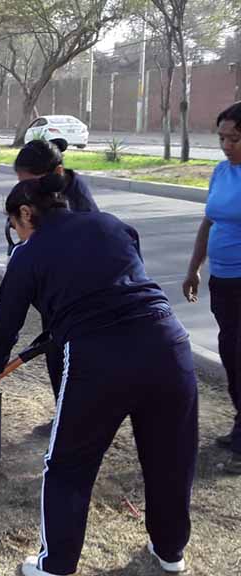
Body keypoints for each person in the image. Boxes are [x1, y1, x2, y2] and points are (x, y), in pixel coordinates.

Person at [0, 174, 197, 576]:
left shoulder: (30, 251)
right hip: (168, 345)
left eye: (14, 225)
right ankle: (170, 551)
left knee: (68, 465)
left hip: (100, 357)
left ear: (26, 213)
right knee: (171, 457)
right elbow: (123, 279)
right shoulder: (111, 224)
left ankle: (54, 565)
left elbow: (6, 317)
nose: (15, 233)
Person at [11, 140, 100, 438]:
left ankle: (77, 424)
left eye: (31, 184)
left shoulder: (78, 201)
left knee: (75, 362)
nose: (27, 193)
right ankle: (64, 416)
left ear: (56, 172)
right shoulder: (42, 198)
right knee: (55, 356)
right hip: (56, 297)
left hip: (80, 298)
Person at [183, 100, 241, 475]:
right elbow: (208, 223)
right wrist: (194, 269)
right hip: (222, 280)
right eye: (222, 137)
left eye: (234, 138)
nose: (226, 145)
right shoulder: (221, 172)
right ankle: (240, 422)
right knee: (231, 355)